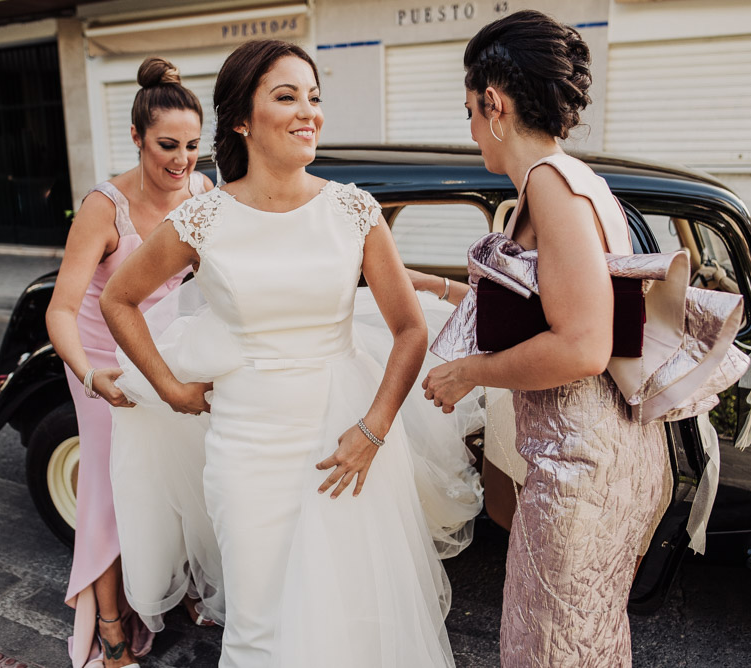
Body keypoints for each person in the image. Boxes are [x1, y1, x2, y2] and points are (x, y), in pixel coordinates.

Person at [101, 40, 457, 667]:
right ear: (241, 118)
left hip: (343, 444)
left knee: (346, 615)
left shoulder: (352, 209)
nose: (308, 112)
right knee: (258, 623)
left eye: (314, 98)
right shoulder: (203, 218)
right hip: (246, 447)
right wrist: (171, 388)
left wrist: (371, 432)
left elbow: (409, 330)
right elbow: (120, 300)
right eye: (286, 96)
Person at [420, 11, 675, 667]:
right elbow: (553, 310)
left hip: (578, 472)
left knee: (548, 651)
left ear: (495, 104)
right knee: (588, 645)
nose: (472, 131)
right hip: (620, 453)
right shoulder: (582, 180)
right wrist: (438, 289)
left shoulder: (547, 186)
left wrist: (468, 371)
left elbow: (584, 345)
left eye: (471, 113)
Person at [45, 56, 214, 668]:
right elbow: (60, 310)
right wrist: (91, 377)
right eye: (168, 144)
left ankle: (183, 583)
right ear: (138, 137)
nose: (182, 159)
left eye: (194, 145)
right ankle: (111, 627)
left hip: (162, 346)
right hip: (99, 361)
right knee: (113, 487)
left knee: (176, 468)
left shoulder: (201, 190)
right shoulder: (103, 206)